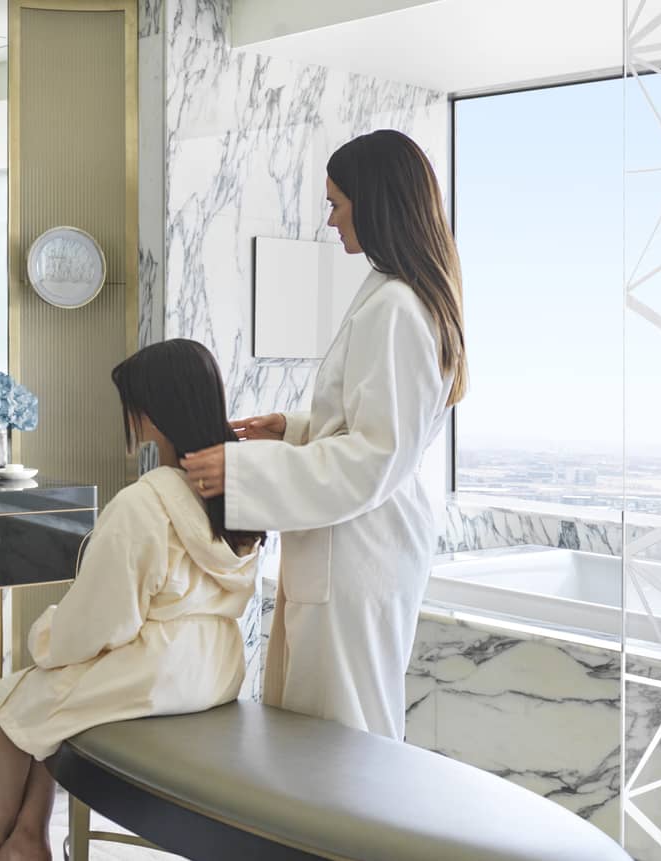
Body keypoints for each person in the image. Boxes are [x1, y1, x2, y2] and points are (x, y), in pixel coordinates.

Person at [181, 129, 467, 740]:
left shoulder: (396, 307)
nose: (331, 218)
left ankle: (345, 841)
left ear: (376, 201)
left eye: (337, 202)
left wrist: (243, 470)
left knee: (343, 738)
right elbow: (377, 429)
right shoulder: (392, 295)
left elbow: (377, 456)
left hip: (361, 550)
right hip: (353, 543)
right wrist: (292, 430)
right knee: (321, 731)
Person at [0, 339, 262, 861]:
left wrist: (47, 635)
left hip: (156, 674)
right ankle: (25, 834)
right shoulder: (237, 488)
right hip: (218, 668)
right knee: (49, 696)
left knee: (5, 704)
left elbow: (102, 619)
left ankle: (2, 829)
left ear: (150, 410)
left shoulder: (146, 502)